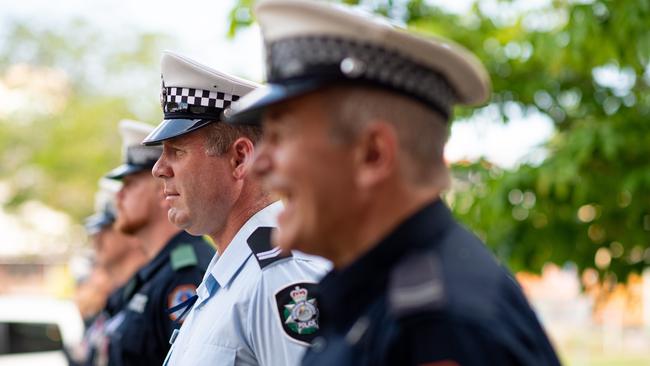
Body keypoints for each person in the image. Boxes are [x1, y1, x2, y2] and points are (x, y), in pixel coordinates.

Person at [226, 0, 562, 365]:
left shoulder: (439, 329)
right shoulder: (376, 299)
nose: (258, 164)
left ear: (372, 155)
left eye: (280, 136)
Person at [142, 51, 330, 365]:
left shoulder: (279, 279)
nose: (159, 168)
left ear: (240, 158)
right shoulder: (226, 274)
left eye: (177, 151)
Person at [104, 119, 214, 366]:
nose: (118, 196)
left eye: (129, 184)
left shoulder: (185, 273)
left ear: (161, 191)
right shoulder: (152, 274)